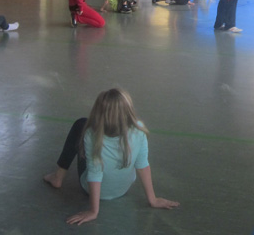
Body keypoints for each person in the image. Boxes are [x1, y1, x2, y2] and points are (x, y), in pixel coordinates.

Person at [42, 88, 179, 225]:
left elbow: (95, 173)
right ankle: (59, 177)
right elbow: (143, 165)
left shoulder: (91, 134)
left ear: (98, 113)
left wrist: (94, 211)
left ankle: (58, 177)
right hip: (123, 189)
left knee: (80, 124)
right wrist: (153, 199)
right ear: (129, 111)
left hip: (91, 190)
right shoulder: (139, 129)